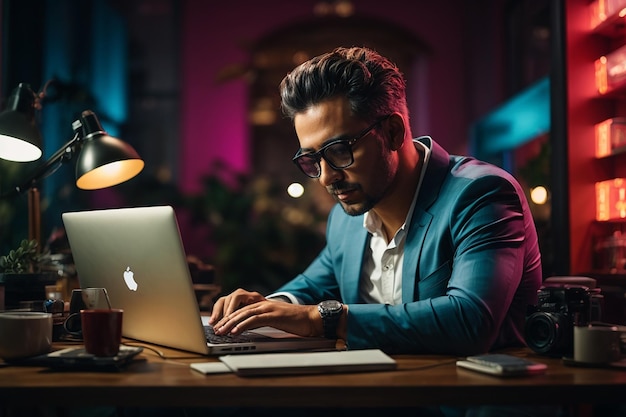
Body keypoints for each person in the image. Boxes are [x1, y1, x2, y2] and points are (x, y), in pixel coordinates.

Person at [209, 46, 542, 356]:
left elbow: (471, 321)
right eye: (313, 160)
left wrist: (324, 320)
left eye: (339, 151)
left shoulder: (480, 194)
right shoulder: (347, 218)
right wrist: (263, 307)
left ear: (394, 132)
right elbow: (310, 288)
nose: (326, 178)